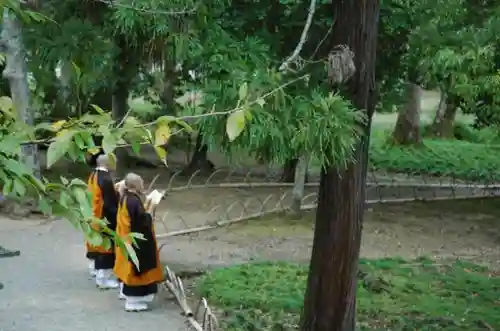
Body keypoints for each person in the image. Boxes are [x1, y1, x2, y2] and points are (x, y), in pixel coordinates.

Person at [114, 172, 163, 312]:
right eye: (141, 183)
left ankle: (131, 295)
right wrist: (151, 208)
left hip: (126, 238)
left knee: (130, 267)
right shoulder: (133, 201)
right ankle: (133, 302)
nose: (143, 185)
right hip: (135, 240)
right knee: (138, 268)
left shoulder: (126, 197)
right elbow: (142, 222)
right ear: (135, 185)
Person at [86, 154, 120, 289]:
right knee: (105, 248)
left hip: (93, 216)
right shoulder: (105, 179)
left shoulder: (93, 175)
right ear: (108, 163)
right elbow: (110, 204)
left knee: (95, 245)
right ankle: (103, 279)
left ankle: (94, 269)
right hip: (103, 218)